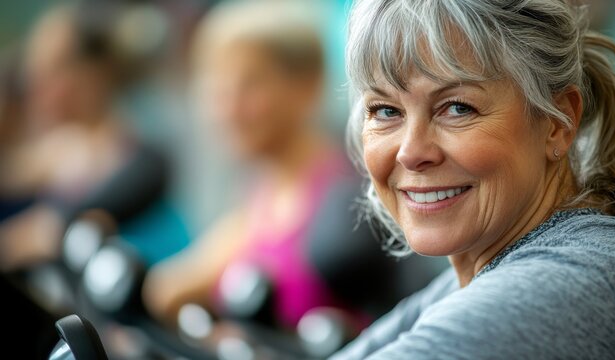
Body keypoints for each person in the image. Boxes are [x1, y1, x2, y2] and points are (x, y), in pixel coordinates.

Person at [330, 0, 615, 359]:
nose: (410, 152)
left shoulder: (573, 282)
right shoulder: (467, 276)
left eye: (457, 107)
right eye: (386, 110)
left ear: (559, 123)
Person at [142, 0, 373, 331]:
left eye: (249, 85)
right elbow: (171, 287)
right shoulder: (260, 195)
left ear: (308, 85)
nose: (228, 108)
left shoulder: (344, 196)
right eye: (218, 89)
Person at [0, 4, 168, 270]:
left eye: (52, 70)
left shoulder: (135, 158)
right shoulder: (60, 148)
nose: (35, 84)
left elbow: (46, 232)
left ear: (95, 74)